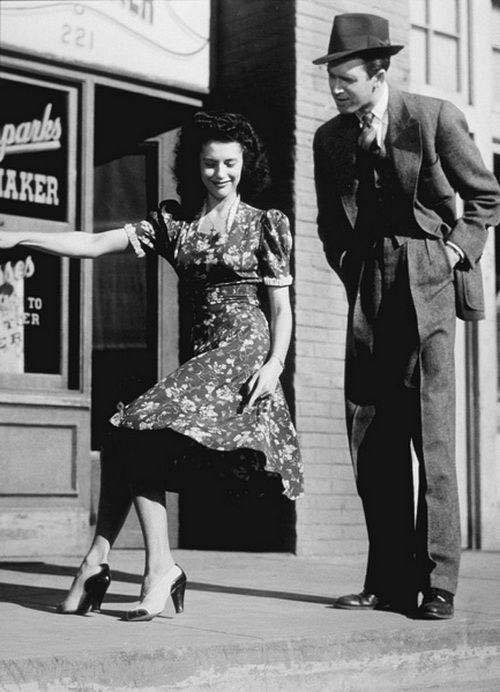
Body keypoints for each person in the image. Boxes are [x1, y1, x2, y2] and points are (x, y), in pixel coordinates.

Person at [0, 111, 303, 621]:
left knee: (133, 429)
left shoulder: (265, 224)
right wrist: (16, 238)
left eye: (231, 163)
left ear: (246, 163)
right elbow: (94, 244)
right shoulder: (174, 224)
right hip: (203, 352)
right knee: (128, 438)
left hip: (244, 352)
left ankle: (138, 567)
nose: (221, 173)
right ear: (195, 165)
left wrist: (275, 363)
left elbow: (281, 308)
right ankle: (106, 565)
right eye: (210, 163)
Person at [312, 13, 500, 619]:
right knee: (372, 432)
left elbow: (486, 197)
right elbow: (326, 222)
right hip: (369, 279)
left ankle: (438, 582)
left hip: (427, 275)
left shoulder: (431, 117)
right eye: (332, 80)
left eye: (347, 79)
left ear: (378, 73)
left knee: (431, 434)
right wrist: (350, 268)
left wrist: (452, 252)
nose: (337, 90)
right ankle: (387, 580)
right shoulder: (330, 139)